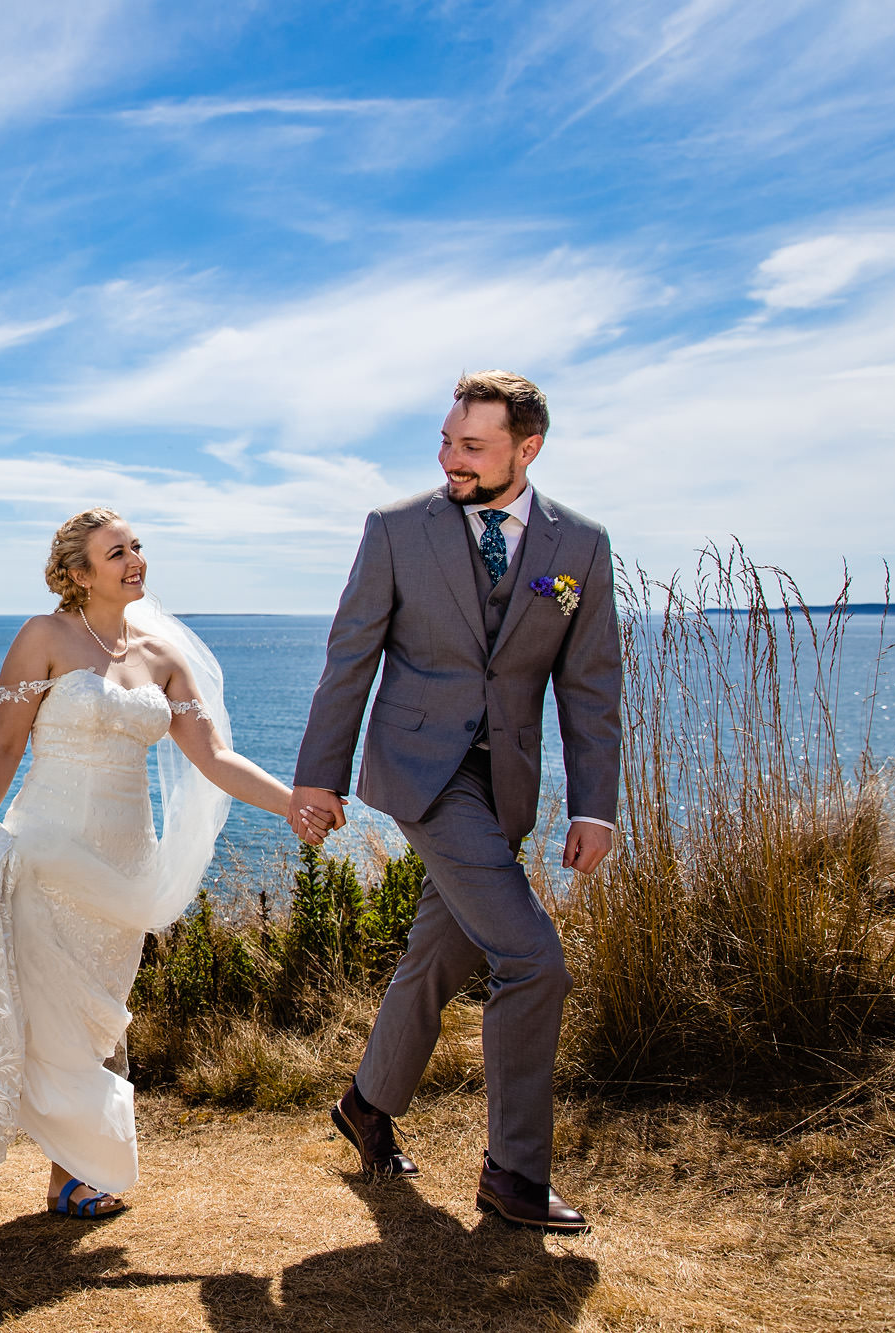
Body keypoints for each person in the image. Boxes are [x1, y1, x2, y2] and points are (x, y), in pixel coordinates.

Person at [291, 370, 621, 1234]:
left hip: (504, 781)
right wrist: (316, 778)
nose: (451, 458)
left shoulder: (579, 546)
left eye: (471, 445)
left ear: (527, 447)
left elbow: (590, 687)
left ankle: (366, 1103)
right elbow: (349, 656)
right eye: (446, 440)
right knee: (532, 958)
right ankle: (513, 1172)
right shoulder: (397, 529)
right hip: (422, 773)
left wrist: (596, 807)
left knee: (440, 953)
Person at [0, 507, 329, 1221]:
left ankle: (73, 1174)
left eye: (137, 546)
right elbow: (4, 746)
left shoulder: (162, 656)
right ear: (79, 572)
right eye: (116, 551)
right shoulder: (44, 637)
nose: (134, 559)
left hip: (124, 868)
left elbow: (213, 758)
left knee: (91, 1023)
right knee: (31, 1010)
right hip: (47, 848)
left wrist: (290, 803)